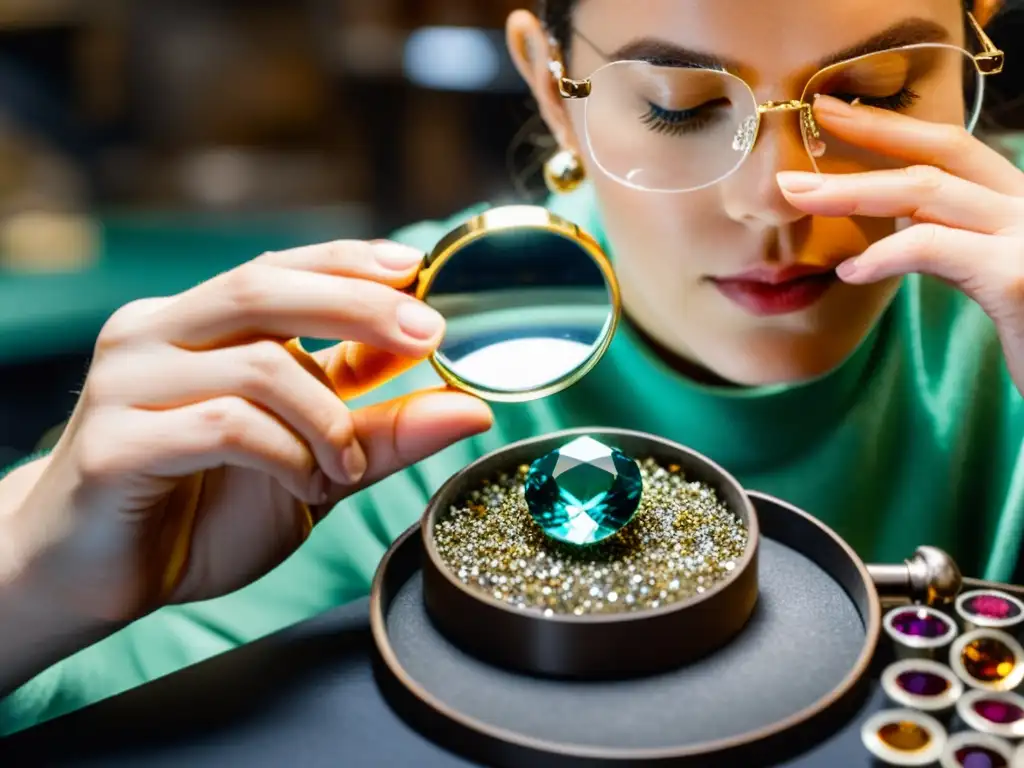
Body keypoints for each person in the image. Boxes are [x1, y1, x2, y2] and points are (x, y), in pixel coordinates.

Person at [1, 0, 1022, 737]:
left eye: (870, 95)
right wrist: (38, 584)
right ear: (553, 86)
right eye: (676, 105)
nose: (773, 199)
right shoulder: (389, 363)